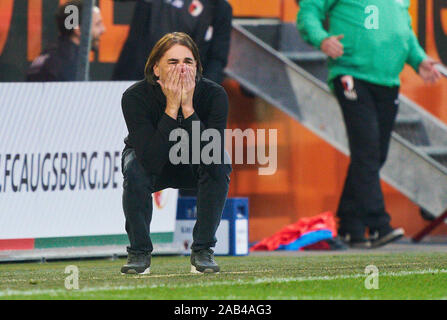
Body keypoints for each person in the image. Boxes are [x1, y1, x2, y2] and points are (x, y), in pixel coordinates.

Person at [297, 0, 441, 248]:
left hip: (388, 79)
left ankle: (351, 226)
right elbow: (309, 10)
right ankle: (377, 225)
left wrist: (419, 60)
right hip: (351, 73)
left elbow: (403, 31)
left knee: (376, 153)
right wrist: (321, 38)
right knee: (367, 150)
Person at [120, 32, 232, 274]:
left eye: (188, 62)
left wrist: (188, 108)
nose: (181, 69)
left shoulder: (214, 95)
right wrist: (172, 108)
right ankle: (139, 253)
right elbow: (149, 160)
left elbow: (210, 155)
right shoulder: (134, 97)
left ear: (197, 68)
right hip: (153, 160)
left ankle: (203, 250)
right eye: (173, 62)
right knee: (134, 169)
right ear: (156, 69)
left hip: (194, 159)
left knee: (220, 163)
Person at [112, 0, 232, 85]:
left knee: (192, 122)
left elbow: (217, 59)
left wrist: (203, 95)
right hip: (133, 81)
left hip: (182, 94)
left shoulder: (220, 7)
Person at [26, 0, 106, 81]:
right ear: (78, 29)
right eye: (98, 24)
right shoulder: (71, 66)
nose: (103, 29)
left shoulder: (49, 56)